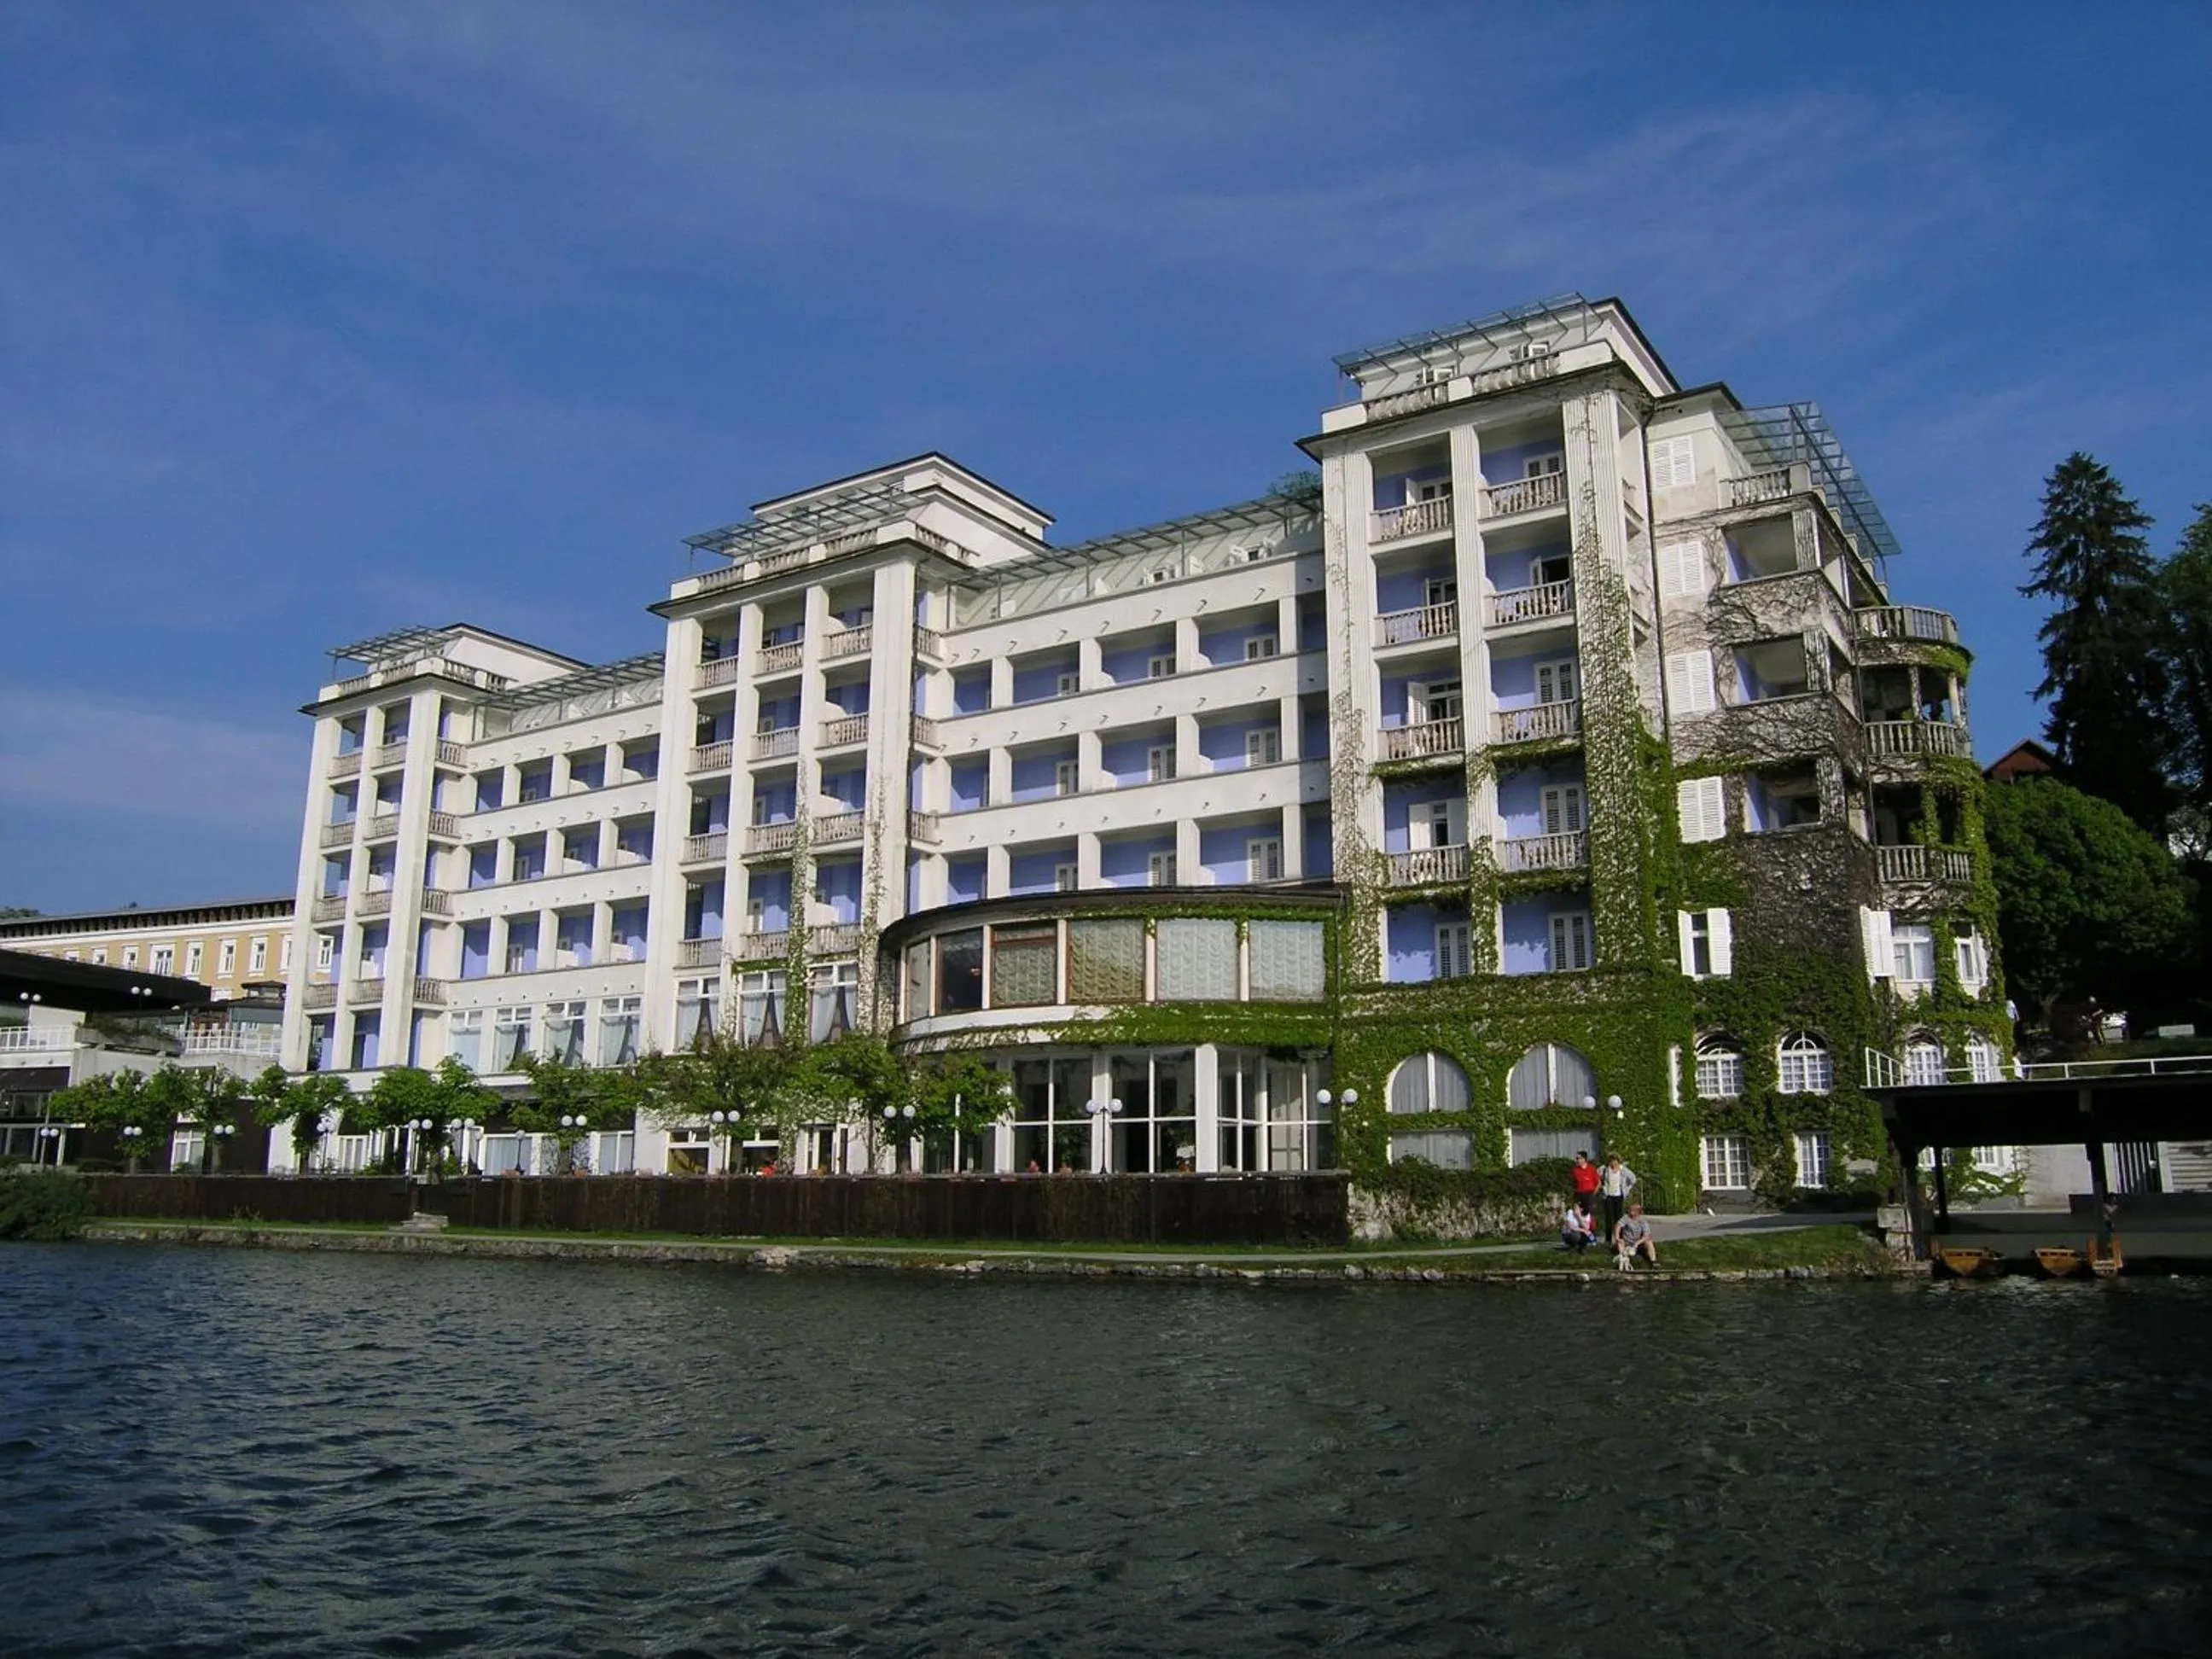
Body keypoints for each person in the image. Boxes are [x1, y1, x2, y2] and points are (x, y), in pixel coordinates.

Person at [1598, 1153, 1637, 1243]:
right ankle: (1608, 1240)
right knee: (1609, 1218)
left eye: (1615, 1161)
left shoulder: (1623, 1170)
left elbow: (1633, 1179)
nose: (1613, 1163)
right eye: (1611, 1161)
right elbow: (1596, 1176)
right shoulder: (1604, 1169)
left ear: (1618, 1161)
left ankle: (1620, 1238)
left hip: (1619, 1196)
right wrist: (1602, 1187)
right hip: (1608, 1196)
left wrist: (1627, 1189)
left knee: (1618, 1218)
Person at [1613, 1202, 1657, 1269]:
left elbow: (1646, 1235)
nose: (1629, 1211)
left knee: (1649, 1242)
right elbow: (1618, 1226)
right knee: (1620, 1242)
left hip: (1637, 1242)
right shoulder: (1626, 1218)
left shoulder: (1643, 1222)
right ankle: (1623, 1260)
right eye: (1630, 1209)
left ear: (1637, 1212)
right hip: (1627, 1241)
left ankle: (1653, 1262)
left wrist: (1637, 1243)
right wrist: (1617, 1237)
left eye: (1632, 1210)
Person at [1569, 1150, 1601, 1220]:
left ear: (1584, 1159)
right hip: (1579, 1195)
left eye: (1579, 1158)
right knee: (1578, 1214)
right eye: (1577, 1158)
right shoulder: (1575, 1170)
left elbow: (1598, 1183)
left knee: (1590, 1215)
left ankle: (1591, 1230)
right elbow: (1573, 1183)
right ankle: (1580, 1229)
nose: (1577, 1160)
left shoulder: (1591, 1169)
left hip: (1589, 1194)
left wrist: (1593, 1194)